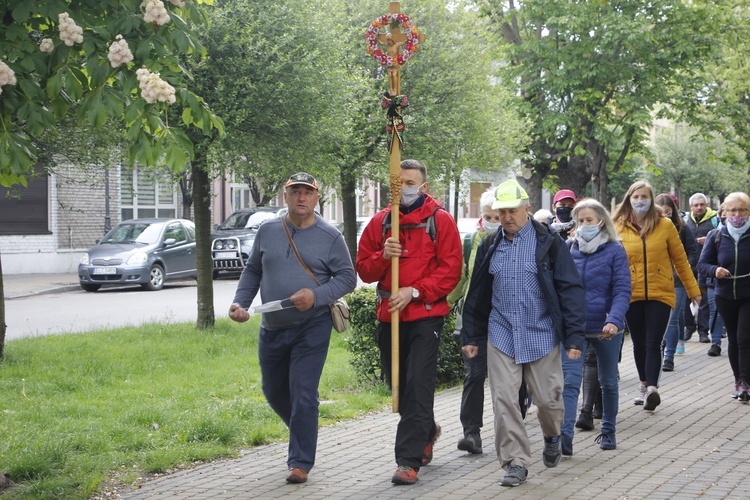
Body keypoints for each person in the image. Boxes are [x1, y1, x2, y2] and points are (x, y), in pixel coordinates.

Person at [227, 172, 356, 484]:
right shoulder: (268, 230)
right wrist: (240, 303)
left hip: (311, 325)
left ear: (316, 197)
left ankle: (299, 462)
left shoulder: (330, 236)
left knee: (303, 392)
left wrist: (316, 296)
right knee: (272, 391)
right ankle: (305, 428)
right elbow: (253, 269)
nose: (302, 198)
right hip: (272, 326)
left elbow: (347, 278)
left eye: (308, 192)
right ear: (285, 196)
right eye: (295, 191)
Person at [462, 179, 585, 487]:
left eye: (512, 211)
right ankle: (515, 461)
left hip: (541, 332)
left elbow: (569, 289)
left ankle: (552, 434)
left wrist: (574, 336)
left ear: (527, 209)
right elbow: (477, 293)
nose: (506, 218)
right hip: (502, 332)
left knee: (547, 400)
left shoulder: (549, 242)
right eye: (501, 212)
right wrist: (472, 336)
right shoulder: (491, 244)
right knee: (505, 400)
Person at [356, 159, 462, 485]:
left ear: (424, 186)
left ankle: (407, 461)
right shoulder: (381, 223)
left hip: (426, 316)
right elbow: (364, 270)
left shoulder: (440, 221)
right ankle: (426, 430)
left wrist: (414, 291)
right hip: (389, 316)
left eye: (411, 183)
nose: (405, 189)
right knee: (399, 388)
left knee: (417, 385)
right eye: (399, 184)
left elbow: (450, 272)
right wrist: (383, 256)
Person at [613, 181, 700, 411]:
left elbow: (681, 260)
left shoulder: (665, 225)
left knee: (654, 342)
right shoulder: (616, 226)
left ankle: (652, 388)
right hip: (630, 293)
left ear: (652, 200)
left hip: (661, 292)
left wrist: (693, 291)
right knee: (639, 343)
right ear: (629, 199)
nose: (640, 200)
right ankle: (643, 385)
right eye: (636, 196)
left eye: (644, 196)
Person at [561, 199, 631, 454]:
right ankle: (565, 436)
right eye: (580, 221)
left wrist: (613, 319)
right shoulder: (569, 248)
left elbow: (623, 289)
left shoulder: (615, 250)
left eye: (589, 220)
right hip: (575, 330)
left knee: (608, 381)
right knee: (569, 382)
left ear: (601, 221)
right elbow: (562, 289)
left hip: (606, 330)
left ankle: (608, 431)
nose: (584, 225)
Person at [447, 187, 500, 456]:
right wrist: (441, 304)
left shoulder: (513, 239)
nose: (492, 221)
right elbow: (461, 278)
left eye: (497, 217)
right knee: (475, 374)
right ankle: (472, 433)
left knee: (511, 380)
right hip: (474, 319)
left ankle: (512, 425)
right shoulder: (470, 240)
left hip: (505, 319)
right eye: (488, 216)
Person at [697, 192, 750, 401]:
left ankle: (746, 383)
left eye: (742, 210)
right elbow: (702, 265)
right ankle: (738, 380)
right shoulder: (716, 236)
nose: (737, 214)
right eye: (733, 210)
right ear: (725, 212)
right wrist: (715, 270)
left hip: (748, 295)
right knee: (735, 339)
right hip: (725, 295)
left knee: (745, 338)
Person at [655, 193, 698, 371]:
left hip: (677, 280)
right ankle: (658, 350)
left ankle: (669, 356)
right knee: (659, 319)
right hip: (657, 280)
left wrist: (683, 271)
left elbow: (693, 253)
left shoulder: (682, 228)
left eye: (668, 212)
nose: (665, 215)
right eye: (661, 212)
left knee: (672, 319)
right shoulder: (650, 228)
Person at [684, 193, 720, 343]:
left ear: (706, 205)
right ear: (691, 207)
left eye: (702, 205)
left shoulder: (714, 219)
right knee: (686, 298)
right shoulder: (686, 221)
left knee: (704, 298)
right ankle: (689, 327)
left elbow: (721, 239)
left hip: (707, 266)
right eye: (696, 205)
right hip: (689, 265)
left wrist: (709, 241)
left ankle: (703, 332)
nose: (699, 208)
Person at [702, 205, 726, 357]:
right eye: (728, 212)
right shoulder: (714, 235)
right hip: (714, 283)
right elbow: (703, 262)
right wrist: (702, 282)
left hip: (742, 286)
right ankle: (715, 342)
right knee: (715, 312)